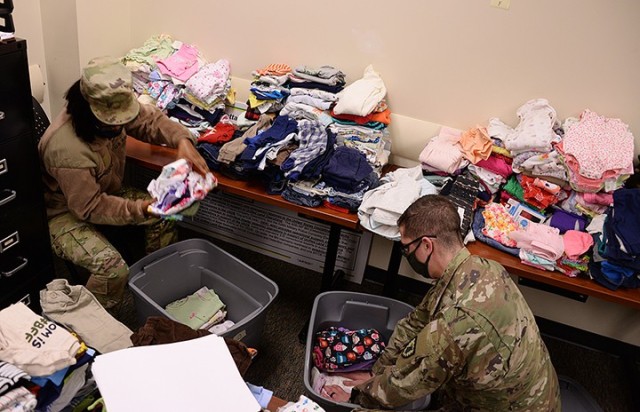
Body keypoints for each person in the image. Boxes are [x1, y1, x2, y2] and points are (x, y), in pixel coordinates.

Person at [324, 195, 560, 411]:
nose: (406, 254)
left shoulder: (457, 322)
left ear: (427, 245)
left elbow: (406, 384)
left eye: (406, 248)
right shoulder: (479, 267)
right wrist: (376, 372)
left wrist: (355, 398)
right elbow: (416, 322)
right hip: (524, 388)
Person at [38, 56, 210, 311]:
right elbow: (89, 208)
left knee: (166, 214)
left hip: (105, 193)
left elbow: (151, 121)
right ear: (92, 111)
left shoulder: (110, 107)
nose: (120, 126)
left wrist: (182, 140)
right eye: (113, 123)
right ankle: (89, 324)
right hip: (64, 213)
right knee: (112, 269)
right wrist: (141, 208)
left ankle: (157, 282)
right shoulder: (66, 148)